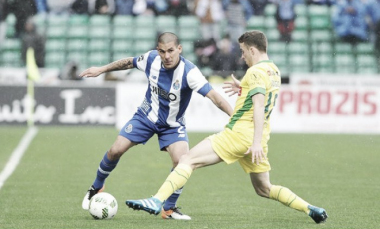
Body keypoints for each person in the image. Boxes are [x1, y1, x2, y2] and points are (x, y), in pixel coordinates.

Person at [126, 30, 329, 224]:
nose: (241, 57)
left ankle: (156, 200)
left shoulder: (255, 71)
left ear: (252, 50)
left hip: (241, 134)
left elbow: (259, 104)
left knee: (187, 160)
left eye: (242, 51)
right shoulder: (273, 70)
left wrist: (255, 142)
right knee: (264, 188)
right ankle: (310, 208)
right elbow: (263, 96)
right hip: (258, 136)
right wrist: (244, 88)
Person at [79, 32, 233, 220]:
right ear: (157, 50)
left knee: (182, 161)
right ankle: (96, 186)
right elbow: (129, 62)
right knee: (115, 150)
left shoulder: (190, 72)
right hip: (145, 117)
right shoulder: (152, 59)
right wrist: (101, 69)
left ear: (179, 49)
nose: (166, 56)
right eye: (162, 51)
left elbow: (215, 97)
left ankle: (168, 209)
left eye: (170, 51)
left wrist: (234, 117)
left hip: (172, 125)